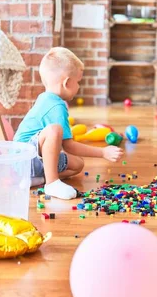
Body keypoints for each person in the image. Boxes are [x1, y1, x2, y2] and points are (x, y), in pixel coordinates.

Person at [14, 47, 124, 199]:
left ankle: (37, 180)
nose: (79, 87)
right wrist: (103, 152)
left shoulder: (46, 98)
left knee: (77, 164)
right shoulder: (56, 106)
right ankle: (52, 183)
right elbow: (69, 145)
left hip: (29, 163)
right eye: (78, 82)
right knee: (54, 130)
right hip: (25, 159)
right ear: (66, 83)